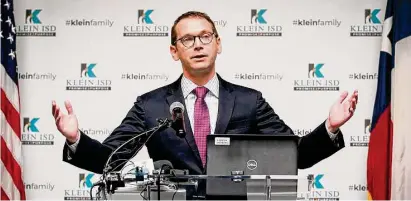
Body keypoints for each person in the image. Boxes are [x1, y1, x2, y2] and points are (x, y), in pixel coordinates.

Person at [52, 11, 358, 178]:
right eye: (187, 39)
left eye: (205, 36)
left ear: (218, 44)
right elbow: (113, 160)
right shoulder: (151, 105)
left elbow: (296, 155)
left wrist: (330, 126)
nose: (198, 45)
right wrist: (75, 137)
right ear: (174, 52)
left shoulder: (250, 101)